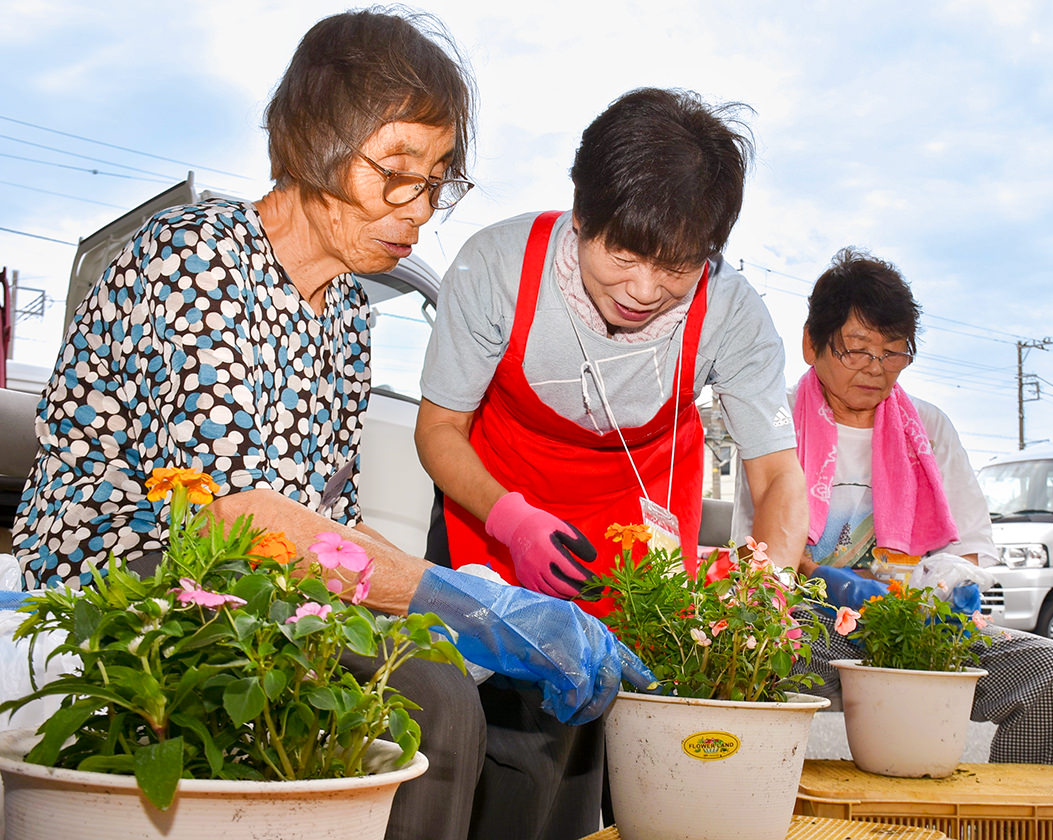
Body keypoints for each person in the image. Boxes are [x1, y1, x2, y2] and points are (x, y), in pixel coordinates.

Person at [11, 11, 652, 840]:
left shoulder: (346, 309)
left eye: (437, 180)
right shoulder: (201, 258)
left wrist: (469, 603)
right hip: (134, 581)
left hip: (271, 583)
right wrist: (455, 605)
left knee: (547, 700)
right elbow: (234, 521)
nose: (420, 211)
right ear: (314, 143)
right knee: (434, 692)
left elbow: (326, 520)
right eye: (397, 173)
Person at [414, 87, 808, 839]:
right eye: (623, 254)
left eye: (678, 268)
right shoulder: (495, 267)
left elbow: (779, 477)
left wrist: (770, 587)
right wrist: (510, 518)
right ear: (581, 211)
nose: (643, 290)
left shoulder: (733, 312)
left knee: (625, 732)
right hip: (497, 510)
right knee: (504, 736)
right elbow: (438, 430)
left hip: (638, 535)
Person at [735, 247, 1053, 770]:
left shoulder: (928, 427)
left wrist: (927, 597)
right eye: (856, 350)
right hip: (810, 623)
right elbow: (757, 553)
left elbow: (971, 547)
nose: (876, 370)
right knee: (745, 651)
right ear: (812, 344)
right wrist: (825, 577)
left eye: (893, 352)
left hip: (914, 624)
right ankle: (757, 809)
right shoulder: (776, 421)